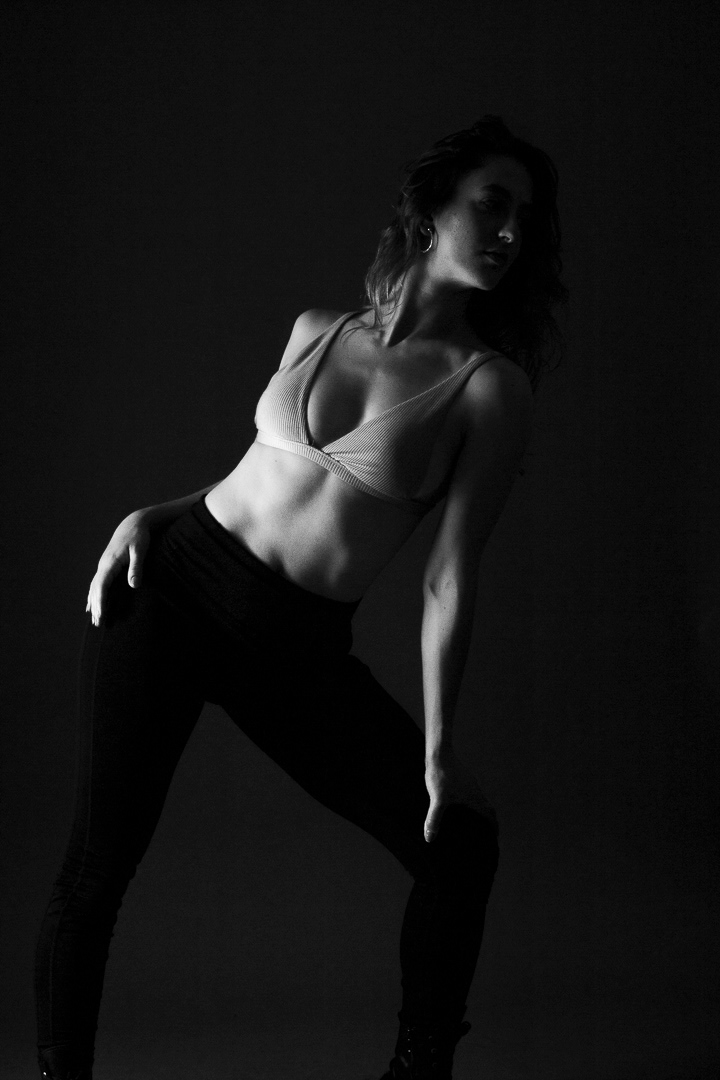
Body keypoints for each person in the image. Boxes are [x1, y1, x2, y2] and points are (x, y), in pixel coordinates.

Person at [34, 115, 567, 1080]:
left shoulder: (488, 390)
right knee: (95, 868)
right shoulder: (318, 331)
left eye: (526, 220)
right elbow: (262, 474)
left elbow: (449, 574)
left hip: (291, 648)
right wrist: (152, 514)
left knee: (460, 846)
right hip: (172, 587)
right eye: (493, 205)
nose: (510, 233)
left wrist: (440, 752)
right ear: (430, 209)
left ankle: (418, 1069)